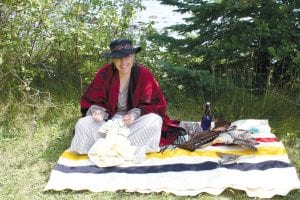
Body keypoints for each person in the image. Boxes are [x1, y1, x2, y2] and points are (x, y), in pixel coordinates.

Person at [69, 39, 186, 155]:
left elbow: (156, 104)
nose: (123, 62)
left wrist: (135, 114)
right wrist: (98, 111)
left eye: (127, 56)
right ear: (113, 59)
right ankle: (124, 148)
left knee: (155, 121)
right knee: (83, 124)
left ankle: (108, 148)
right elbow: (91, 100)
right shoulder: (104, 74)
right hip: (107, 123)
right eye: (118, 57)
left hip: (133, 124)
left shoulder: (144, 75)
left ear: (133, 56)